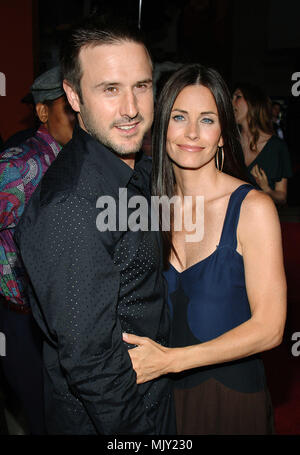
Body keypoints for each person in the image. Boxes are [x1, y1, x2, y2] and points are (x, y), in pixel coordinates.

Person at [15, 17, 176, 435]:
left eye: (141, 86)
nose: (131, 108)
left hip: (154, 399)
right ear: (73, 94)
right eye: (110, 89)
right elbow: (92, 365)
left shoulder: (133, 172)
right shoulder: (70, 205)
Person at [122, 64, 287, 435]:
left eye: (207, 120)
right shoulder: (148, 206)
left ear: (224, 135)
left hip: (229, 405)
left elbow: (270, 328)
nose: (192, 133)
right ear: (162, 126)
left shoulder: (253, 209)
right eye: (179, 117)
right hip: (160, 403)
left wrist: (172, 361)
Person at [0, 66, 75, 434]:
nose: (79, 114)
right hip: (25, 322)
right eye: (68, 107)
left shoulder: (80, 161)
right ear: (43, 112)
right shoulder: (20, 165)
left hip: (68, 320)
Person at [232, 83, 292, 205]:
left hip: (261, 220)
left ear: (253, 103)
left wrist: (266, 189)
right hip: (230, 218)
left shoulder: (277, 147)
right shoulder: (229, 143)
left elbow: (281, 197)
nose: (231, 102)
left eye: (237, 97)